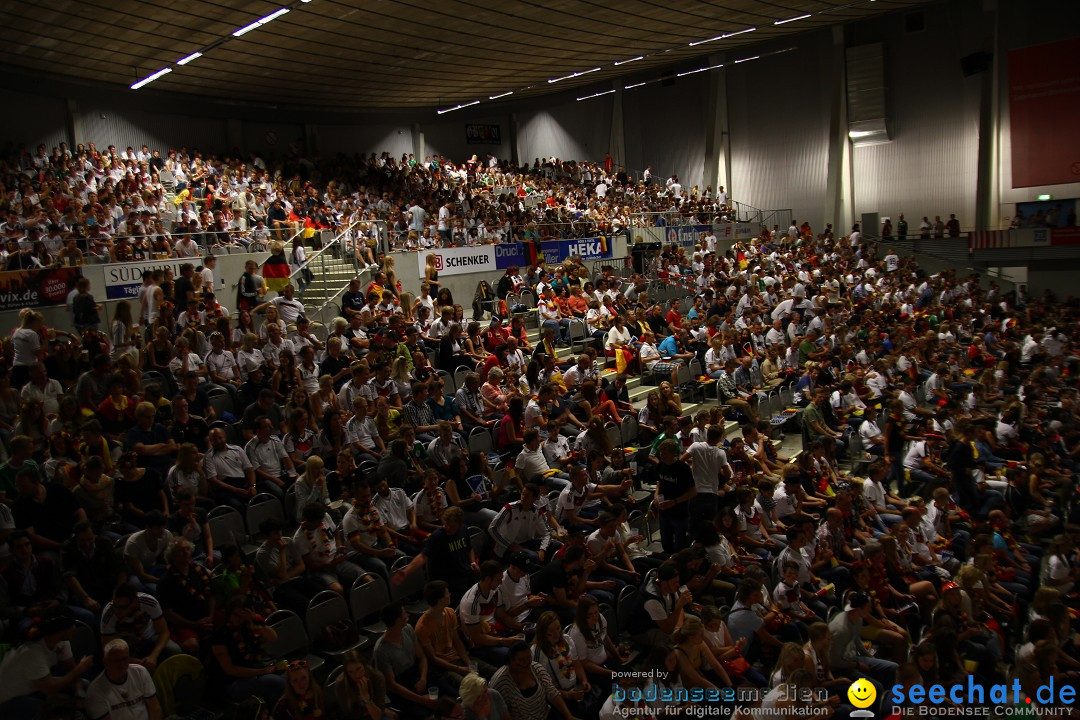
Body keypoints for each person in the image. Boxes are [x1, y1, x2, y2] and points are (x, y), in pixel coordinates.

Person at [0, 608, 92, 720]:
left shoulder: (62, 642)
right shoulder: (32, 652)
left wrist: (79, 693)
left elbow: (71, 670)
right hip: (12, 701)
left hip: (36, 687)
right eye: (72, 625)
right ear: (62, 631)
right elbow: (50, 689)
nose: (75, 628)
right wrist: (80, 668)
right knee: (55, 711)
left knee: (86, 685)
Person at [209, 596, 285, 704]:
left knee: (291, 674)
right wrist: (261, 672)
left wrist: (254, 619)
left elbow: (273, 638)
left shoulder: (248, 627)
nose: (238, 618)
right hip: (234, 683)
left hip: (256, 673)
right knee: (275, 683)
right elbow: (230, 669)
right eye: (235, 614)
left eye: (242, 615)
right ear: (229, 613)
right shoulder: (220, 635)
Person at [374, 602, 442, 720]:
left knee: (447, 700)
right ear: (398, 620)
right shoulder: (381, 650)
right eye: (404, 613)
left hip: (418, 677)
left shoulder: (408, 629)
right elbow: (392, 685)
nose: (407, 615)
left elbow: (421, 657)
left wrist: (423, 679)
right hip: (402, 690)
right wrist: (421, 700)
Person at [489, 641, 578, 720]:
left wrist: (568, 716)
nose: (526, 662)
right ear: (510, 661)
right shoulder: (500, 682)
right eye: (521, 660)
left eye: (528, 657)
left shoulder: (537, 668)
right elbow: (500, 711)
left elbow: (552, 693)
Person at [86, 639, 163, 720]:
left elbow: (155, 709)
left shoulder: (140, 672)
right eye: (117, 661)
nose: (122, 665)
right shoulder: (95, 691)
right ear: (106, 662)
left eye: (125, 659)